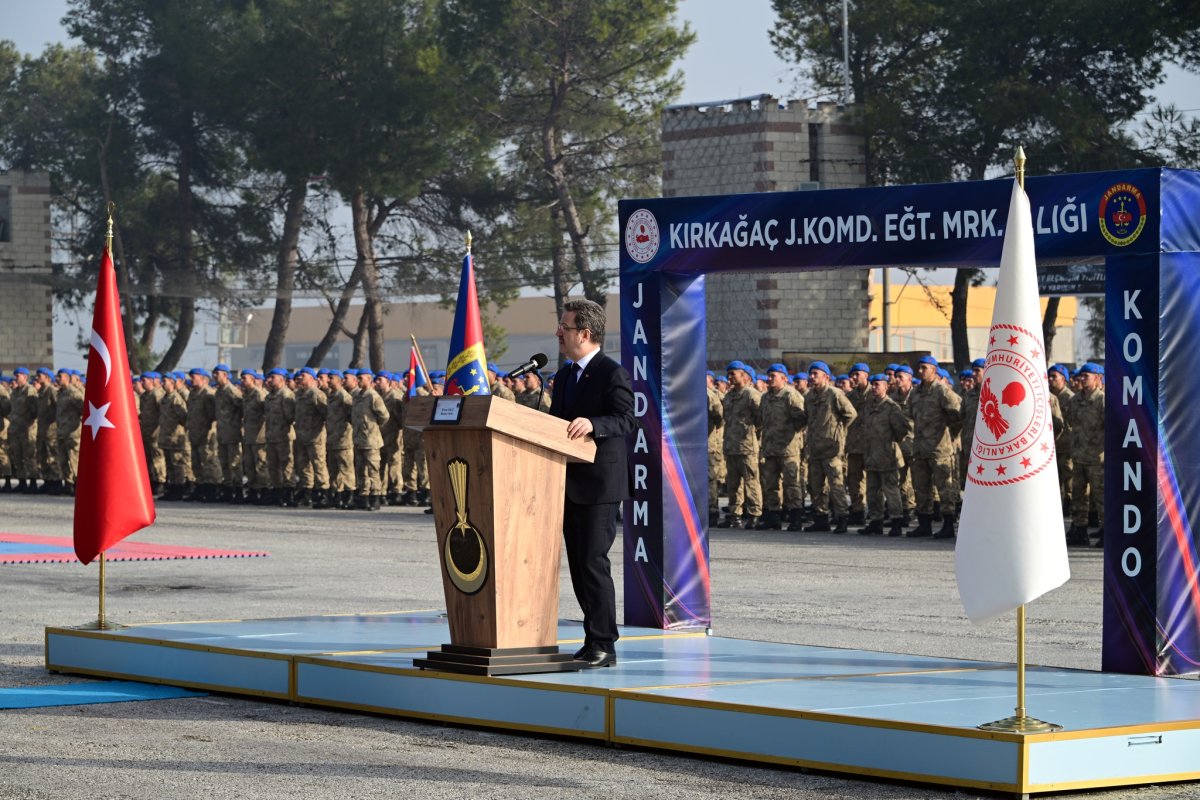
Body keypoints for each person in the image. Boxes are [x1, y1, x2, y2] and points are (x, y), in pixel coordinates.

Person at [551, 298, 637, 669]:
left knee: (592, 564)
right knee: (578, 566)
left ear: (584, 333)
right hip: (567, 483)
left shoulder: (610, 372)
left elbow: (627, 419)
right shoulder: (565, 375)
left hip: (599, 486)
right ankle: (591, 639)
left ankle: (604, 643)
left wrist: (593, 424)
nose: (559, 333)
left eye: (565, 327)